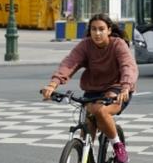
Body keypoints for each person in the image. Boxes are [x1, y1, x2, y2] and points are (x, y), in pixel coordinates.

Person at [41, 13, 138, 163]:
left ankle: (118, 145)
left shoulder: (118, 44)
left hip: (118, 88)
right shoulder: (86, 45)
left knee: (101, 111)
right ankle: (86, 154)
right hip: (93, 90)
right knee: (87, 128)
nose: (97, 33)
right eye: (93, 29)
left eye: (101, 29)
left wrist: (126, 87)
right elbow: (70, 63)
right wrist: (53, 84)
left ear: (109, 30)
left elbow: (128, 66)